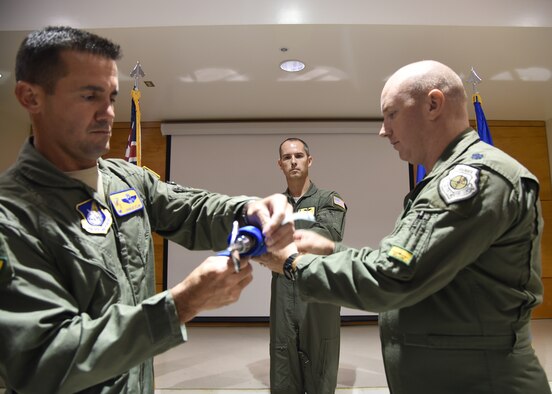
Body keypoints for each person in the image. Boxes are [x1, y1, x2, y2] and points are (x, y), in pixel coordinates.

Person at [0, 26, 294, 393]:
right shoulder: (11, 215)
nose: (107, 113)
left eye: (111, 97)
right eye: (90, 96)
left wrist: (249, 209)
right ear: (31, 97)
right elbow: (41, 361)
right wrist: (181, 305)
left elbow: (191, 209)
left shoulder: (126, 179)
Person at [258, 60, 551, 394]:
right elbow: (407, 259)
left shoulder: (471, 180)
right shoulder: (438, 182)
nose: (383, 129)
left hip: (481, 380)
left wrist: (292, 263)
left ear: (433, 104)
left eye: (391, 114)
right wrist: (331, 250)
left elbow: (394, 274)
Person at [269, 138, 347, 394]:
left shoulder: (329, 199)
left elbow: (327, 236)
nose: (293, 161)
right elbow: (263, 242)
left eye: (299, 156)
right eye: (288, 157)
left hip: (318, 293)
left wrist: (281, 239)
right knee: (283, 363)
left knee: (320, 367)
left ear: (309, 161)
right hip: (283, 293)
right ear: (280, 164)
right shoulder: (273, 205)